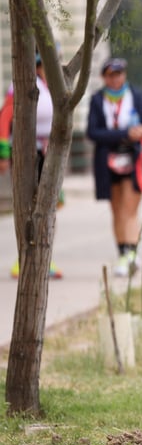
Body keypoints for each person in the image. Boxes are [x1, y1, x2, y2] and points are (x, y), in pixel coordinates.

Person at [86, 57, 142, 277]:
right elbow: (93, 132)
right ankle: (122, 253)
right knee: (117, 210)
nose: (116, 79)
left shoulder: (135, 95)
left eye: (119, 74)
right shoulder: (97, 100)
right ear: (104, 77)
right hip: (108, 162)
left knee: (130, 208)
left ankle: (132, 253)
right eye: (111, 75)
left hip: (133, 158)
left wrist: (141, 131)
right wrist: (123, 133)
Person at [0, 52, 62, 279]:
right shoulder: (21, 84)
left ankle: (45, 256)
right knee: (29, 204)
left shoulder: (52, 84)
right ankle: (23, 257)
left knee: (48, 204)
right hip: (27, 152)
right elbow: (5, 118)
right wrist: (4, 153)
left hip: (50, 151)